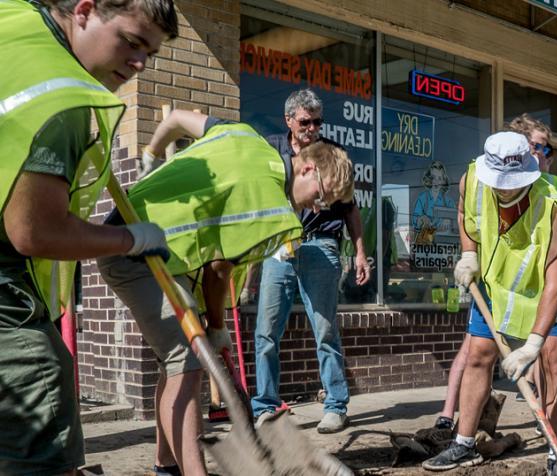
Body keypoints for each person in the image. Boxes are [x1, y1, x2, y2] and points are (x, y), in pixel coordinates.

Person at [100, 110, 353, 476]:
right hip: (133, 249)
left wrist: (153, 152)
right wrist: (217, 329)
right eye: (322, 195)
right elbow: (219, 272)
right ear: (308, 169)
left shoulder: (245, 134)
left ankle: (166, 466)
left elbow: (175, 119)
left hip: (156, 249)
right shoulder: (268, 202)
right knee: (185, 360)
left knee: (174, 364)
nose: (318, 207)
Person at [0, 0, 176, 473]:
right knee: (43, 390)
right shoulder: (62, 98)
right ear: (85, 10)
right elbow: (35, 230)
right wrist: (131, 240)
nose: (139, 62)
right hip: (4, 304)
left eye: (151, 54)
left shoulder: (13, 20)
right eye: (132, 42)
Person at [423, 131, 557, 473]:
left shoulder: (552, 210)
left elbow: (555, 283)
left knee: (553, 360)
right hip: (494, 280)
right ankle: (464, 444)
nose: (505, 188)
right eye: (500, 182)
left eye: (512, 182)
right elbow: (464, 215)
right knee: (478, 352)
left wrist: (532, 343)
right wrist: (468, 254)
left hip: (541, 287)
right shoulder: (472, 179)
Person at [250, 89, 370, 434]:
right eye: (305, 121)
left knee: (326, 330)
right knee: (267, 331)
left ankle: (335, 405)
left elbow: (350, 208)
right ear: (289, 120)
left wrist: (359, 252)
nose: (312, 128)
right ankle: (267, 408)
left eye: (318, 121)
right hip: (278, 248)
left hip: (321, 245)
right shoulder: (272, 149)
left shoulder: (333, 154)